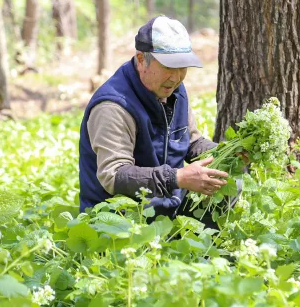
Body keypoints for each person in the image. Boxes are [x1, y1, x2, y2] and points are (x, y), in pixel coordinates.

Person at [78, 16, 229, 224]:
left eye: (182, 67)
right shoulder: (113, 106)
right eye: (169, 67)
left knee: (230, 185)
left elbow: (191, 143)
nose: (176, 77)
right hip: (120, 222)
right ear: (141, 59)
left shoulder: (173, 89)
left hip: (167, 213)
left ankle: (203, 253)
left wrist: (229, 153)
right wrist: (178, 178)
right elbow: (114, 175)